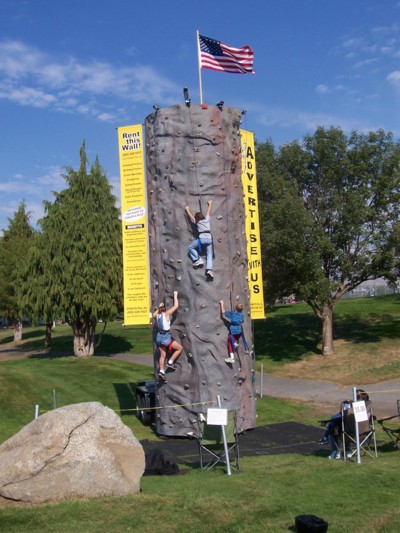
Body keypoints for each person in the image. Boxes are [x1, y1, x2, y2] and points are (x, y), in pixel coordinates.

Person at [320, 389, 370, 459]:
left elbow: (338, 415)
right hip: (364, 434)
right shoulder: (368, 409)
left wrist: (345, 402)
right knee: (341, 426)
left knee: (333, 428)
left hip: (350, 435)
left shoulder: (349, 408)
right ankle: (347, 450)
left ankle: (334, 450)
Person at [152, 291, 183, 382]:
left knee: (162, 355)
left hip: (159, 337)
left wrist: (158, 308)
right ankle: (170, 362)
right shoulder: (166, 314)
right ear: (165, 309)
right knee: (179, 348)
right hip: (165, 337)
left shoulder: (158, 316)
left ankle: (161, 371)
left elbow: (153, 315)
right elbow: (176, 306)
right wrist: (175, 295)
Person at [185, 200, 214, 279]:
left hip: (202, 239)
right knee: (209, 255)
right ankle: (209, 270)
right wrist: (210, 204)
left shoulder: (197, 222)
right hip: (209, 239)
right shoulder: (207, 220)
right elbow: (208, 212)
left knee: (190, 247)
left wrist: (187, 209)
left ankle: (198, 259)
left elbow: (191, 217)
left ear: (197, 218)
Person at [219, 299, 248, 364]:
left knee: (230, 341)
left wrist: (222, 303)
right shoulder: (241, 315)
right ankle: (236, 343)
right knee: (235, 338)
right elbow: (242, 321)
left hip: (233, 331)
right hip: (239, 331)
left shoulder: (232, 314)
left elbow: (223, 312)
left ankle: (232, 357)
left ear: (236, 308)